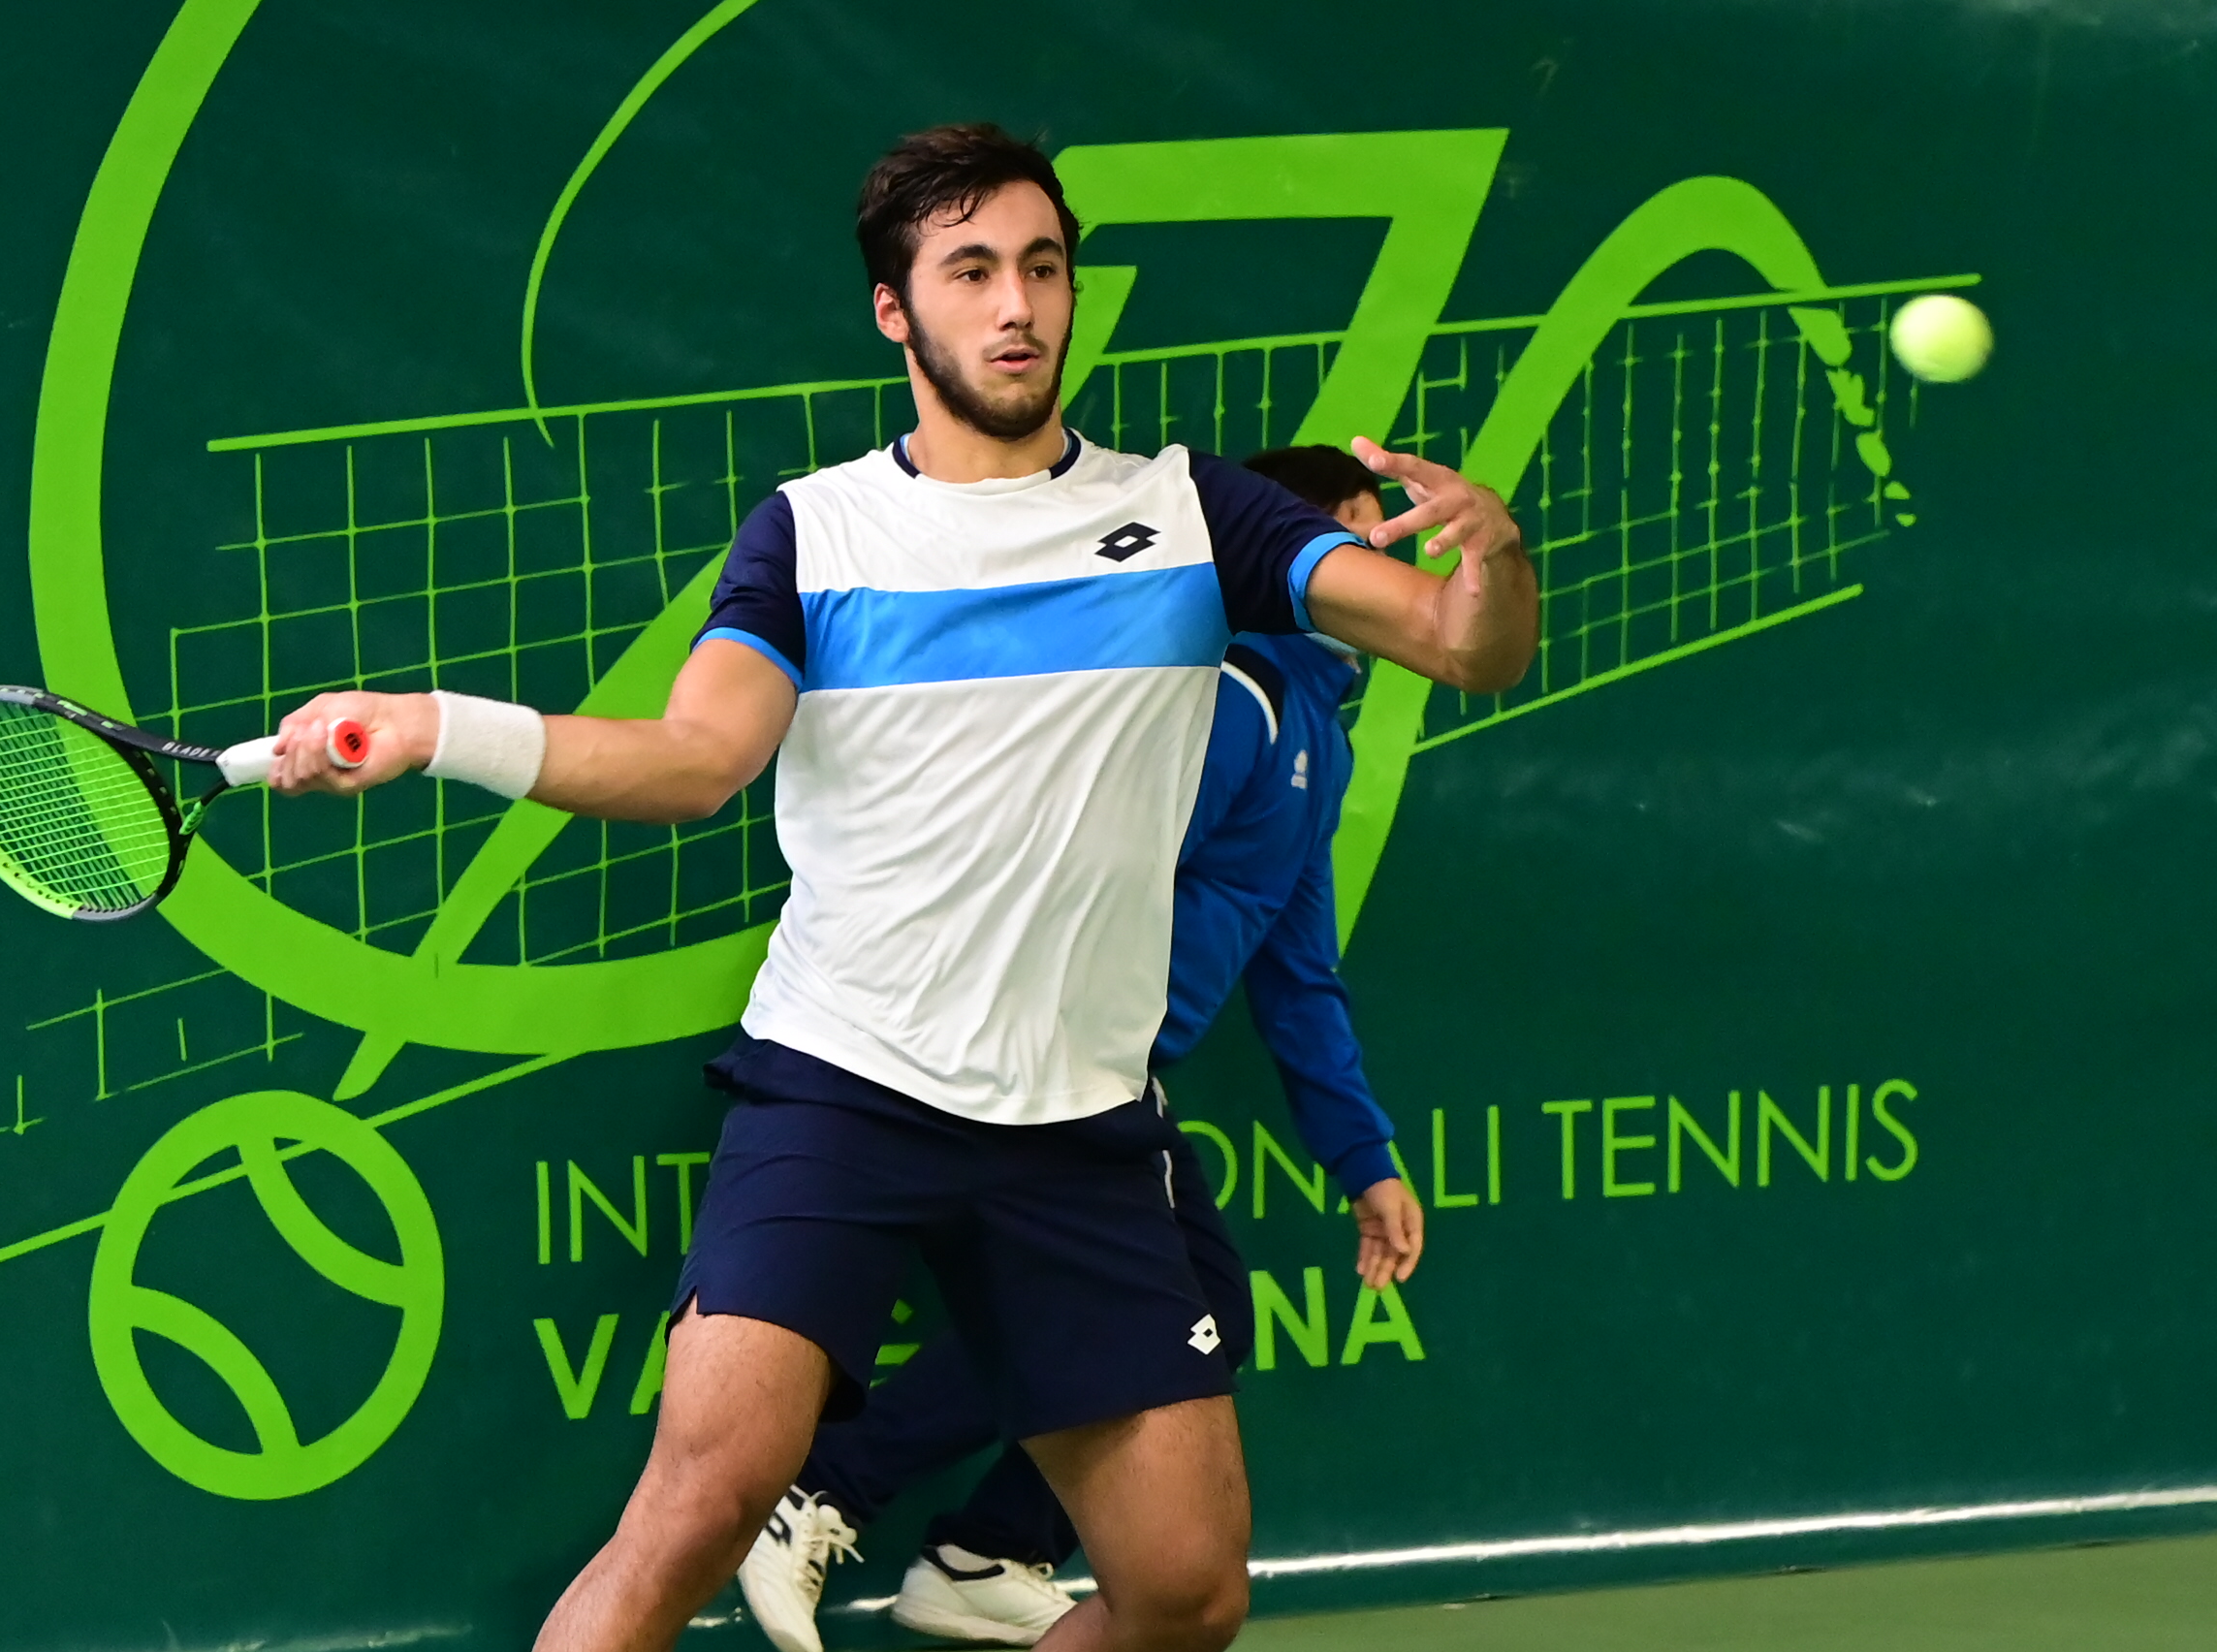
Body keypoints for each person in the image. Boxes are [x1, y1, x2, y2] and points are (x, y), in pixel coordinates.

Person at [269, 125, 1536, 1652]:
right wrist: (433, 730)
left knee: (1186, 1591)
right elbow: (694, 757)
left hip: (1078, 1129)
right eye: (974, 270)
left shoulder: (1198, 515)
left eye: (1045, 269)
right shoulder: (817, 534)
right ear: (897, 311)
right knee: (701, 1500)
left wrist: (1499, 555)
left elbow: (1468, 648)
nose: (1019, 307)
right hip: (844, 1090)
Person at [733, 444, 1424, 1652]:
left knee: (1202, 1311)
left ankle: (983, 1549)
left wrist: (1360, 1154)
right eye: (1359, 539)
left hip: (1110, 1077)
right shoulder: (1233, 706)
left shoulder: (1317, 734)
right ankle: (827, 1492)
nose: (1383, 566)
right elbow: (1092, 855)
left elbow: (1295, 968)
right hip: (1031, 1067)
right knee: (1139, 1326)